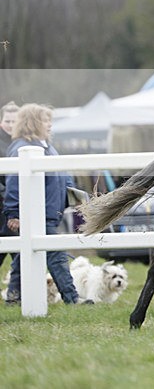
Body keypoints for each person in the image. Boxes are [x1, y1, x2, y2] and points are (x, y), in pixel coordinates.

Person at [3, 103, 81, 305]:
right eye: (46, 121)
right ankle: (72, 298)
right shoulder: (22, 148)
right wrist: (13, 212)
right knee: (57, 256)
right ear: (33, 122)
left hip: (50, 212)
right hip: (35, 213)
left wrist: (75, 196)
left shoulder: (48, 147)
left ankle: (13, 297)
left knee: (25, 257)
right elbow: (14, 182)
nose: (50, 125)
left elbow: (63, 176)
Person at [0, 101, 20, 270]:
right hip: (2, 203)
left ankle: (16, 293)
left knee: (20, 255)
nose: (10, 125)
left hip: (18, 206)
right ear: (1, 122)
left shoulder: (24, 142)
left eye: (14, 121)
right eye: (7, 121)